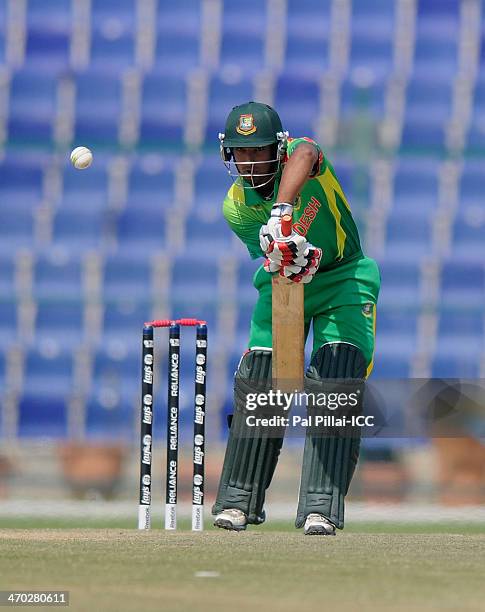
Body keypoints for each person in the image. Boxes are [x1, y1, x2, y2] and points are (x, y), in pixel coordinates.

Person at [212, 101, 380, 536]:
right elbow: (274, 259)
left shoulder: (304, 157)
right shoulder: (236, 207)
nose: (250, 163)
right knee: (265, 376)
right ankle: (238, 500)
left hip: (344, 275)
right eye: (241, 153)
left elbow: (306, 153)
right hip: (285, 284)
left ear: (278, 147)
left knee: (337, 373)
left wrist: (282, 213)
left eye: (259, 151)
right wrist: (283, 252)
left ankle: (320, 506)